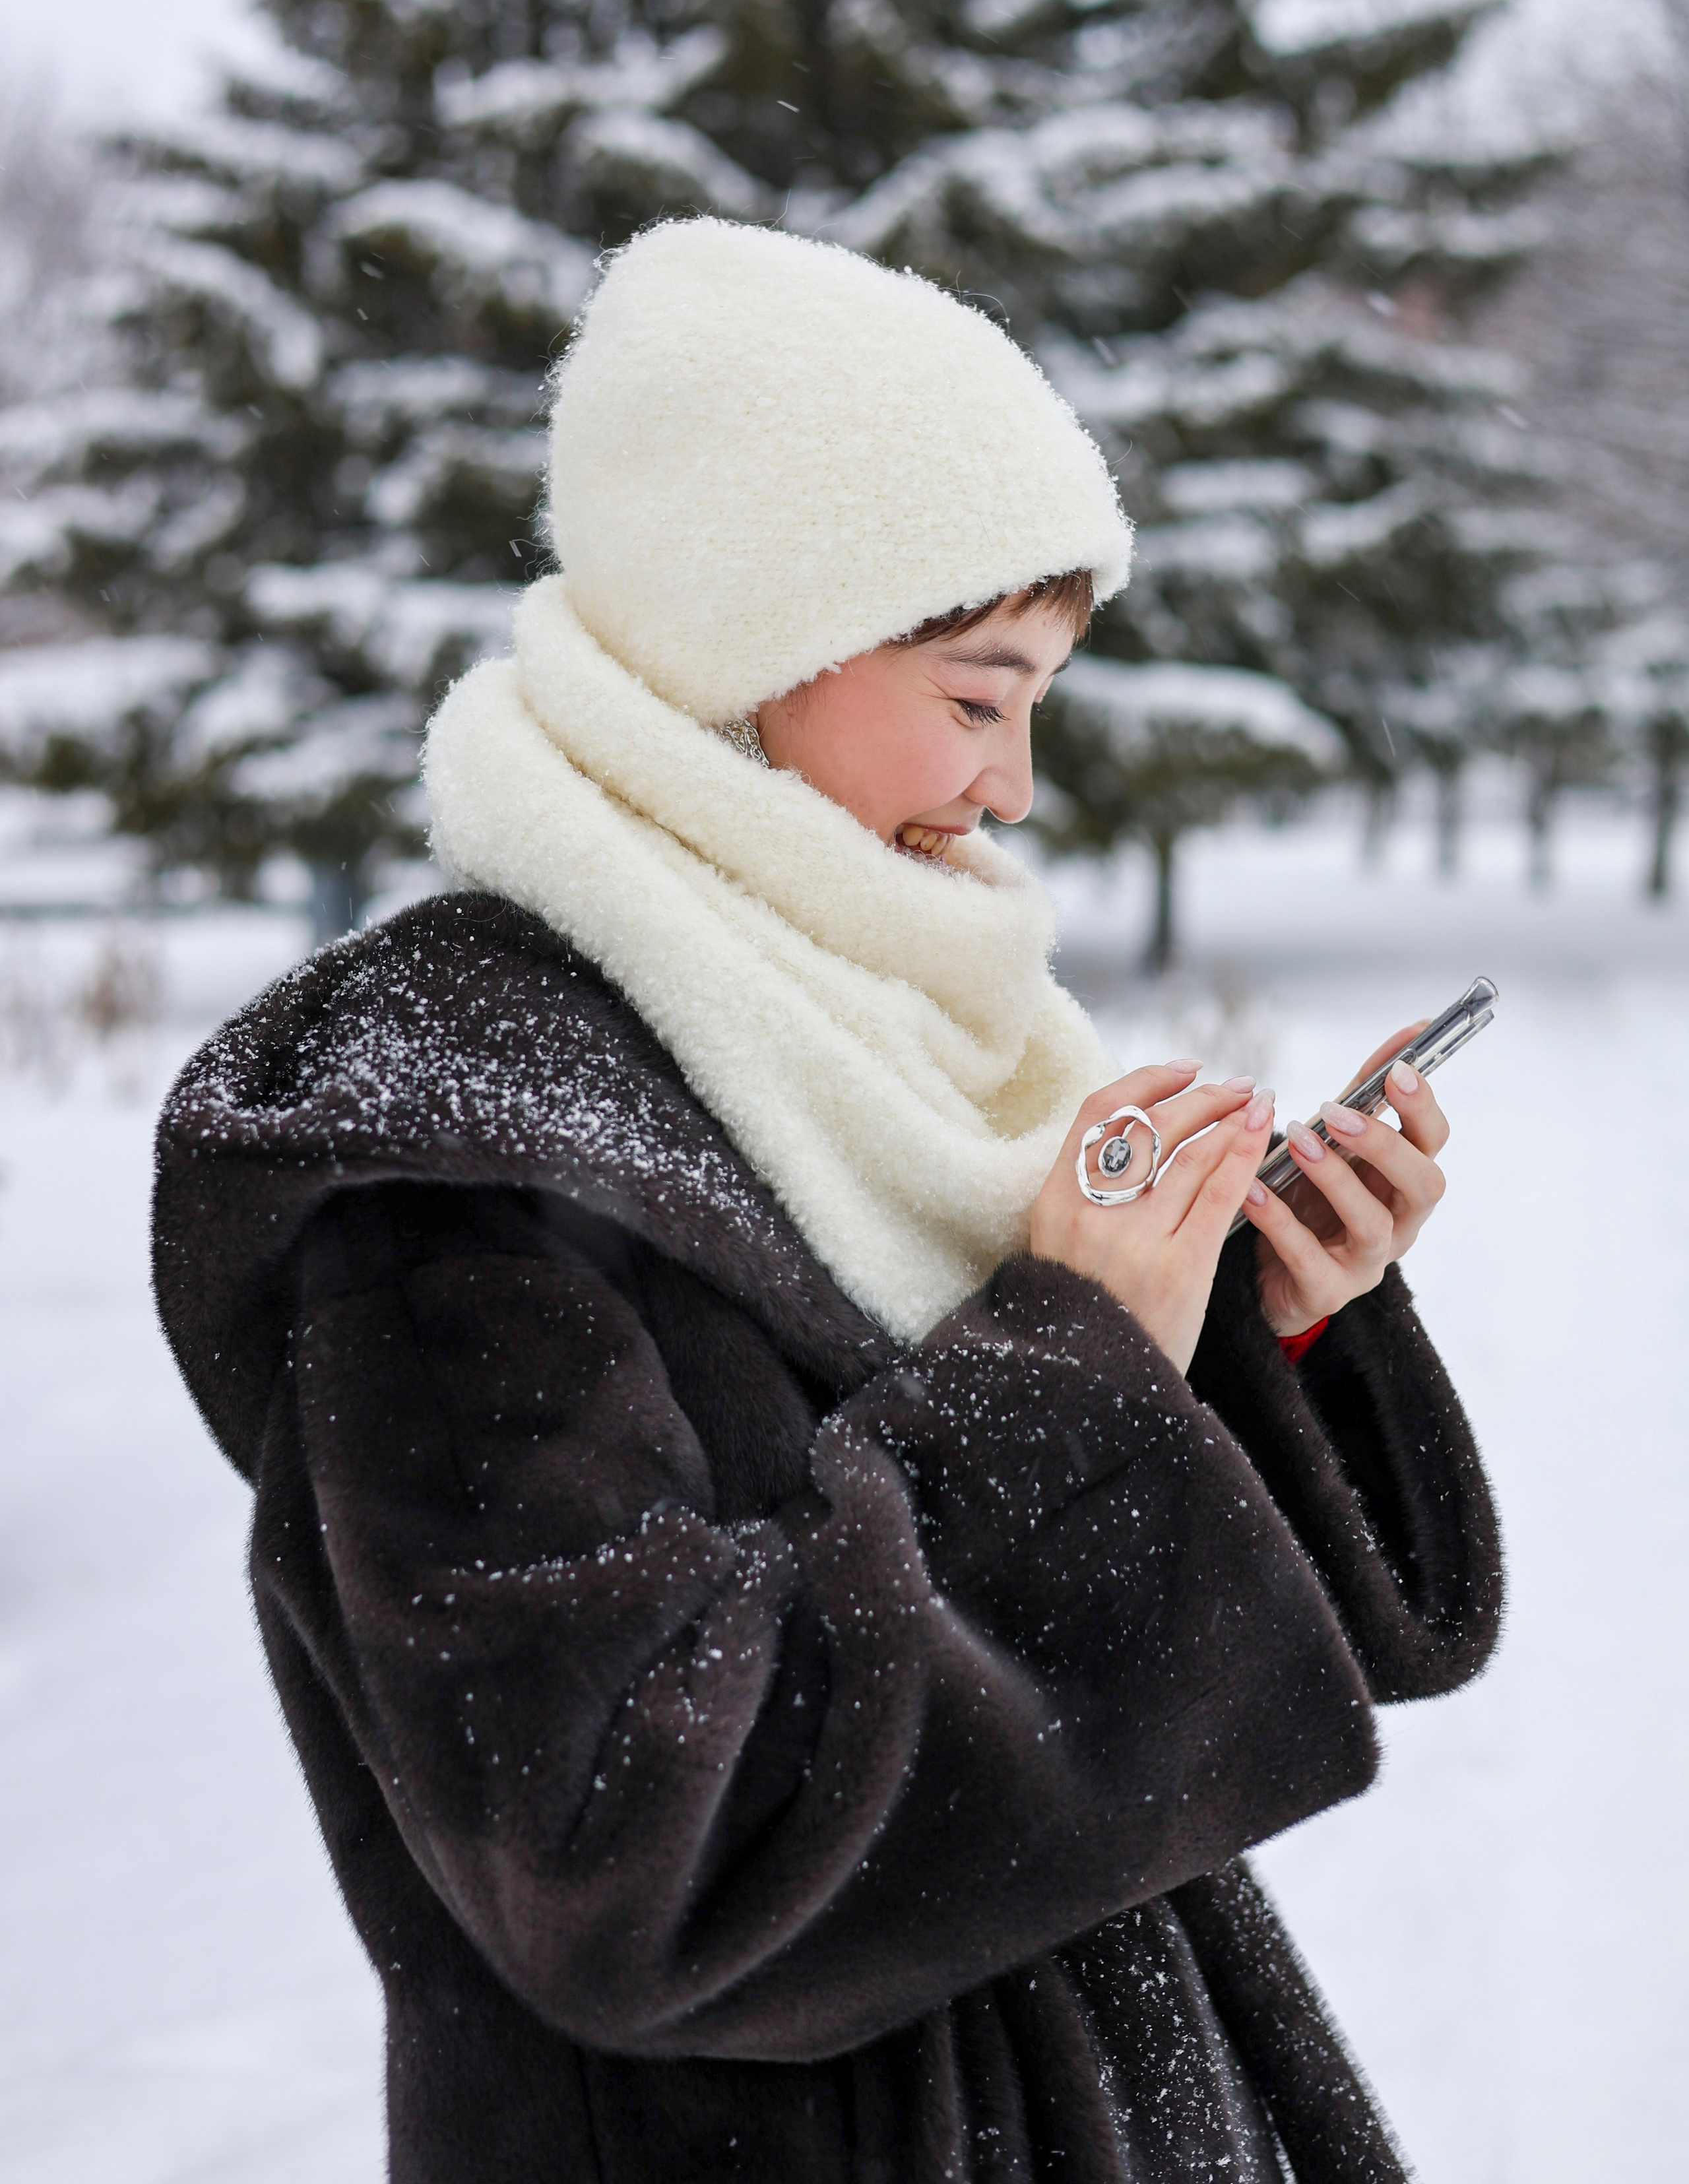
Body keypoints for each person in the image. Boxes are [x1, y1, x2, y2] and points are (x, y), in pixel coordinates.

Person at [153, 219, 1501, 2184]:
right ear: (751, 648)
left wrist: (1253, 1329)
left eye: (1040, 702)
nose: (1014, 787)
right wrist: (1073, 1365)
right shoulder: (454, 1158)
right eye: (977, 695)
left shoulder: (878, 1046)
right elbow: (627, 1858)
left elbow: (1142, 1642)